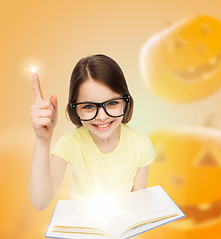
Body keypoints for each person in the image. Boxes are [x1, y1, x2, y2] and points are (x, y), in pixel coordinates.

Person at [29, 54, 155, 210]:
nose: (102, 117)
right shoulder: (70, 144)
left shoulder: (140, 144)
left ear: (125, 102)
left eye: (112, 103)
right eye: (88, 106)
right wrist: (42, 140)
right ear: (76, 110)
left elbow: (137, 202)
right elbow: (40, 202)